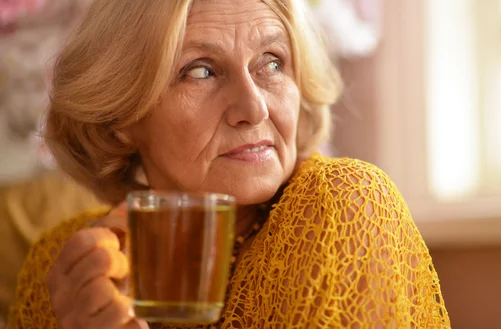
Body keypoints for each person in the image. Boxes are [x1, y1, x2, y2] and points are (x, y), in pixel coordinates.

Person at [8, 0, 451, 328]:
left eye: (272, 63)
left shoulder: (342, 206)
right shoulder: (62, 265)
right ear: (123, 117)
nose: (253, 108)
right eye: (201, 71)